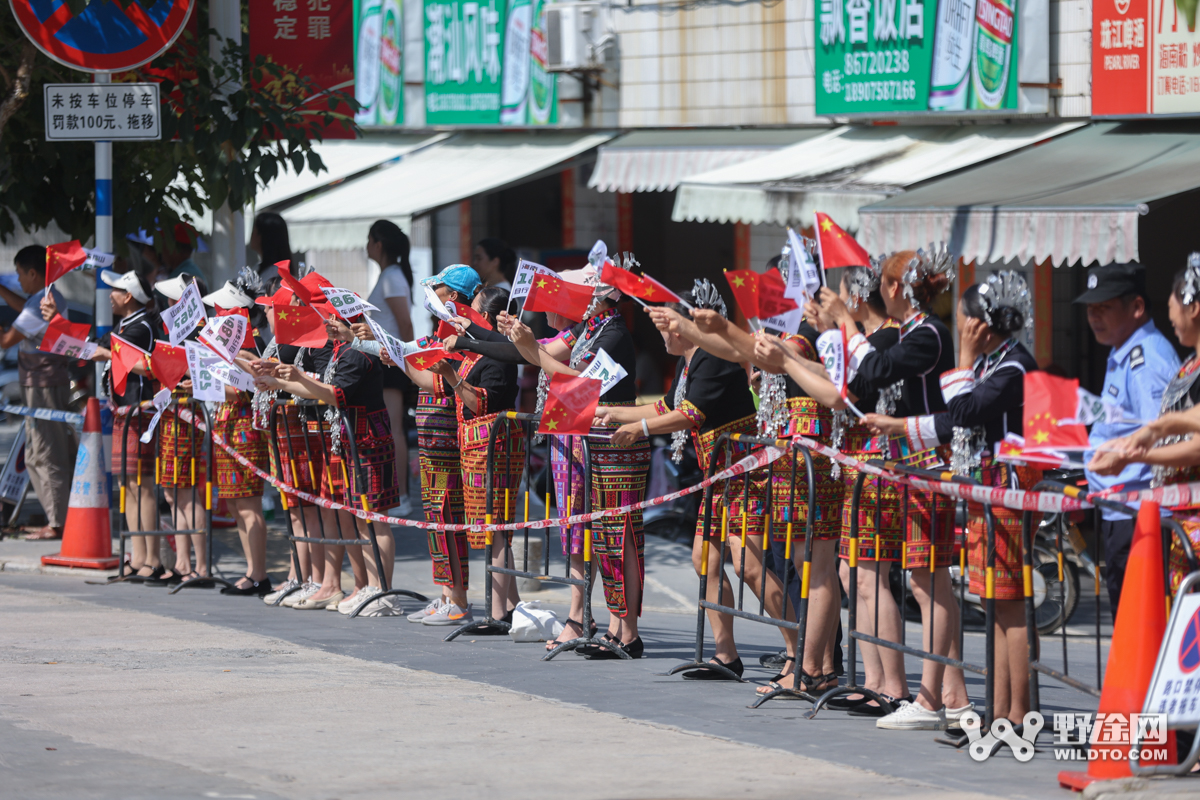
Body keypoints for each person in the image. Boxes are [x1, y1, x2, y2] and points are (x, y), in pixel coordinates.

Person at [649, 263, 845, 694]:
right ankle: (786, 661)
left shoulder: (809, 339)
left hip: (776, 467)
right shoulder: (796, 339)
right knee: (725, 561)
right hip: (768, 465)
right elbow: (750, 354)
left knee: (791, 568)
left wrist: (708, 327)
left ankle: (808, 662)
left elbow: (749, 355)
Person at [867, 272, 1039, 726]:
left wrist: (962, 356)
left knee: (1009, 605)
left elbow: (962, 413)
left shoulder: (1014, 366)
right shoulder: (993, 364)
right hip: (988, 492)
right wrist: (900, 428)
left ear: (980, 325)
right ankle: (998, 712)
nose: (960, 328)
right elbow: (950, 423)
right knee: (995, 604)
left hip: (1007, 493)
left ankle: (1017, 714)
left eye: (965, 322)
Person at [817, 245, 970, 731]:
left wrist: (845, 321)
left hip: (928, 463)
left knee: (929, 580)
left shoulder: (928, 333)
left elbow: (874, 372)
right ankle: (949, 694)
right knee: (925, 580)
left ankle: (930, 698)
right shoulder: (912, 332)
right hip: (909, 466)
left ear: (896, 288)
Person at [754, 265, 907, 714]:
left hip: (878, 468)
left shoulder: (887, 340)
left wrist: (785, 356)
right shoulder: (869, 342)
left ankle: (890, 685)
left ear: (856, 299)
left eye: (836, 297)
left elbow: (839, 394)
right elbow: (834, 379)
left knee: (871, 578)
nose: (821, 305)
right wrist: (784, 356)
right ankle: (872, 680)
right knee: (849, 575)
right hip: (859, 468)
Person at [602, 280, 768, 676]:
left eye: (665, 324)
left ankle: (803, 654)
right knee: (704, 560)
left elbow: (689, 414)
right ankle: (726, 654)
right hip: (718, 476)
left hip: (746, 475)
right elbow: (665, 405)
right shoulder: (689, 361)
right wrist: (607, 410)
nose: (661, 333)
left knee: (750, 567)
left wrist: (639, 429)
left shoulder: (715, 358)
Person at [501, 267, 650, 659]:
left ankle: (627, 631)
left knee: (622, 540)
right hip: (597, 442)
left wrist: (532, 350)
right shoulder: (592, 330)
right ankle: (616, 628)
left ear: (594, 298)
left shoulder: (614, 334)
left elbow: (580, 386)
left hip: (615, 442)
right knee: (604, 539)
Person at [255, 286, 400, 614]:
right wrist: (281, 383)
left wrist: (290, 379)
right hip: (350, 440)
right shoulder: (343, 351)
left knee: (373, 518)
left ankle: (382, 591)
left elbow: (333, 394)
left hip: (368, 439)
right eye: (330, 317)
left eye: (336, 318)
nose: (329, 323)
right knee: (357, 517)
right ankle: (365, 587)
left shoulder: (359, 353)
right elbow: (322, 390)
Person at [401, 285, 523, 627]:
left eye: (471, 309)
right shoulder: (478, 351)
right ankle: (512, 606)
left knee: (496, 528)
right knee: (494, 529)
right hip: (475, 447)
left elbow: (482, 402)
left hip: (493, 446)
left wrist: (451, 376)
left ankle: (498, 613)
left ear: (484, 316)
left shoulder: (500, 352)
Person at [1089, 255, 1200, 597]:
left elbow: (1183, 440)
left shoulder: (1147, 357)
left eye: (1104, 308)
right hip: (1172, 518)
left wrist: (1138, 452)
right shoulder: (1187, 363)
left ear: (1192, 308)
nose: (1170, 316)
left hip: (1155, 511)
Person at [1075, 262, 1178, 619]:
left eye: (1104, 307)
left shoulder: (1144, 358)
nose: (1094, 317)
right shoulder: (1125, 350)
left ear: (1136, 307)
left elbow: (1159, 436)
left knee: (1140, 621)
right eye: (1090, 308)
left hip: (1139, 511)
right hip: (1121, 507)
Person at [61, 271, 161, 576]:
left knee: (141, 486)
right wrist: (62, 328)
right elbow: (94, 345)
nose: (109, 295)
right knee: (128, 484)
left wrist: (101, 350)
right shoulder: (126, 324)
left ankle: (152, 559)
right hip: (124, 411)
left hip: (139, 411)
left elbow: (113, 353)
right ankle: (138, 556)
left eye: (115, 290)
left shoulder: (141, 325)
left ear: (129, 296)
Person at [254, 286, 329, 609]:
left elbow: (314, 381)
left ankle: (317, 578)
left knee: (308, 505)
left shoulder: (308, 335)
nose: (269, 313)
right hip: (285, 420)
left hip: (303, 423)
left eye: (272, 306)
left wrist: (276, 378)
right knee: (293, 504)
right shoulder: (282, 338)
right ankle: (299, 573)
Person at [202, 276, 273, 596]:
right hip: (225, 425)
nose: (215, 316)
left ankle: (259, 573)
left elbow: (246, 391)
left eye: (220, 311)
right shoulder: (230, 345)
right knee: (233, 504)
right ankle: (251, 570)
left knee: (248, 504)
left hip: (243, 427)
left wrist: (210, 384)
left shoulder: (247, 345)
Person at [0, 246, 77, 540]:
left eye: (20, 274)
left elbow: (7, 339)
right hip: (40, 385)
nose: (18, 280)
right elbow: (24, 305)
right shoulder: (44, 299)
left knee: (48, 452)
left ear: (33, 273)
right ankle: (54, 518)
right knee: (34, 454)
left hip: (44, 387)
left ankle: (58, 523)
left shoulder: (42, 303)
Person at [151, 273, 210, 585]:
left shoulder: (197, 331)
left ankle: (199, 565)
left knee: (186, 493)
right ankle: (184, 562)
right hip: (170, 415)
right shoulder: (177, 330)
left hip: (186, 415)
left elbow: (203, 375)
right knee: (174, 495)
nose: (169, 304)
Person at [363, 220, 414, 517]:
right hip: (388, 359)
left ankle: (403, 496)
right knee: (388, 429)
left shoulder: (391, 276)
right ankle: (395, 494)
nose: (366, 246)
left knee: (394, 430)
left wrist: (408, 363)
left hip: (393, 360)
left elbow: (405, 323)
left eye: (369, 240)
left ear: (378, 244)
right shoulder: (389, 275)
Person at [249, 211, 294, 290]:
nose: (251, 236)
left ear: (262, 236)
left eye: (254, 231)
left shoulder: (274, 275)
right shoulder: (260, 268)